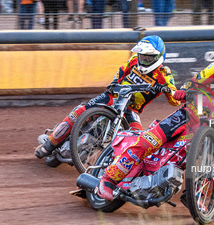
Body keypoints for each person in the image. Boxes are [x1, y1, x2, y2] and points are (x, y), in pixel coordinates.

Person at [95, 39, 214, 202]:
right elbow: (195, 81)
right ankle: (108, 180)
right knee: (149, 141)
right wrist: (184, 91)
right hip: (187, 115)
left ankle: (199, 192)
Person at [34, 35, 180, 159]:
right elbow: (121, 71)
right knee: (80, 111)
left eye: (148, 58)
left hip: (131, 109)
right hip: (112, 96)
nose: (143, 60)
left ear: (158, 57)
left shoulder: (164, 74)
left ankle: (114, 169)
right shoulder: (134, 60)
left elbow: (174, 100)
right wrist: (114, 82)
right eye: (142, 56)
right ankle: (49, 144)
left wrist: (167, 89)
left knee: (137, 139)